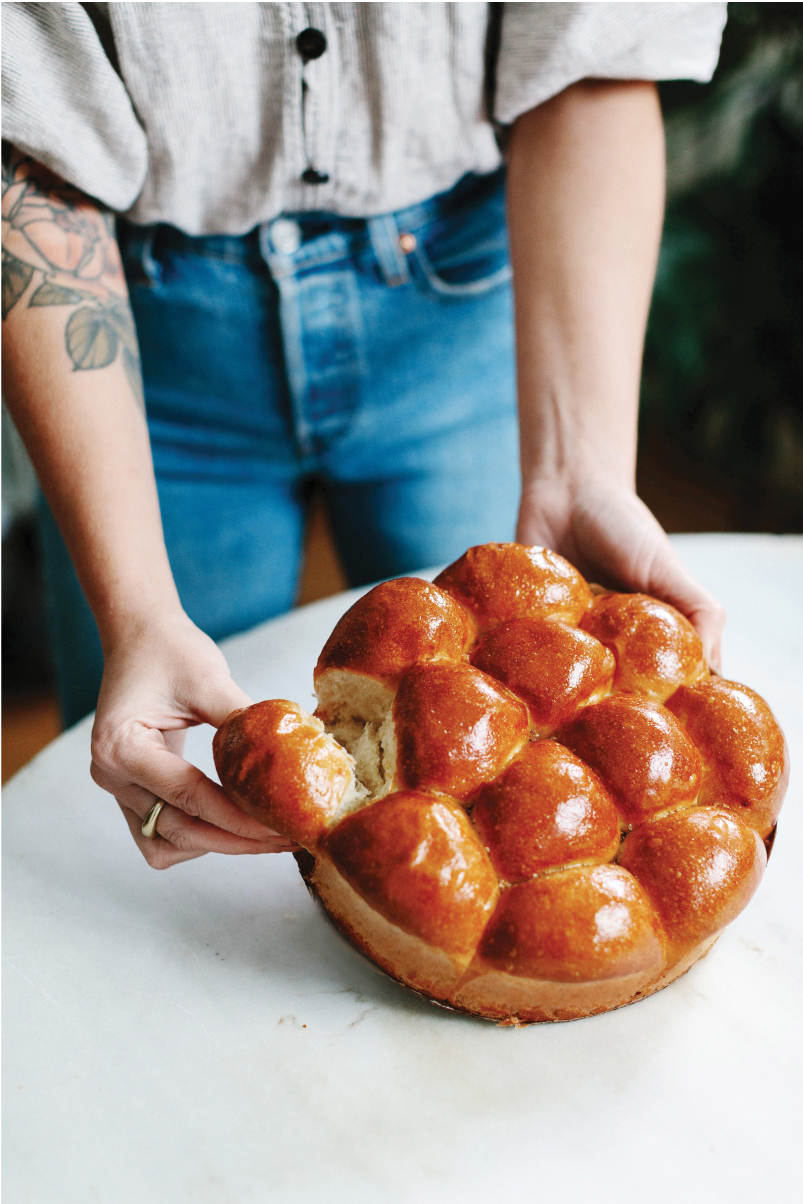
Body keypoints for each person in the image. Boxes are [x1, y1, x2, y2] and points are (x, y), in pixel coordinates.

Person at [2, 1, 728, 869]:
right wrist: (137, 613)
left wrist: (580, 476)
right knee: (158, 787)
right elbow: (21, 141)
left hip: (467, 298)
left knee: (516, 774)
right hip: (135, 324)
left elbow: (591, 51)